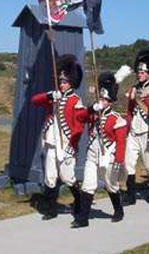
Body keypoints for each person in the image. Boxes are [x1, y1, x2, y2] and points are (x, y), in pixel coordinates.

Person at [72, 67, 131, 228]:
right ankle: (83, 218)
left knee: (110, 184)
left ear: (110, 101)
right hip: (92, 154)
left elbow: (120, 143)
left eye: (105, 100)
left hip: (108, 156)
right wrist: (92, 108)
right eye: (100, 99)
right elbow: (79, 117)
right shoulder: (93, 114)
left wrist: (119, 160)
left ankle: (118, 210)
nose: (102, 102)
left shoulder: (116, 118)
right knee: (88, 184)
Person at [31, 54, 84, 220]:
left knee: (67, 177)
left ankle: (80, 202)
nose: (61, 84)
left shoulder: (75, 100)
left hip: (66, 144)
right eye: (60, 81)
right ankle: (50, 209)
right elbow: (34, 100)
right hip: (50, 141)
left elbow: (79, 127)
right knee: (50, 177)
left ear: (72, 82)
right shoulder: (53, 96)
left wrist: (73, 144)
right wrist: (49, 96)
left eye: (65, 81)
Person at [123, 47, 149, 205]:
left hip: (147, 132)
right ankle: (131, 196)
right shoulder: (134, 89)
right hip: (133, 132)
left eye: (142, 72)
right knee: (129, 163)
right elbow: (129, 112)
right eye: (138, 72)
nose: (139, 74)